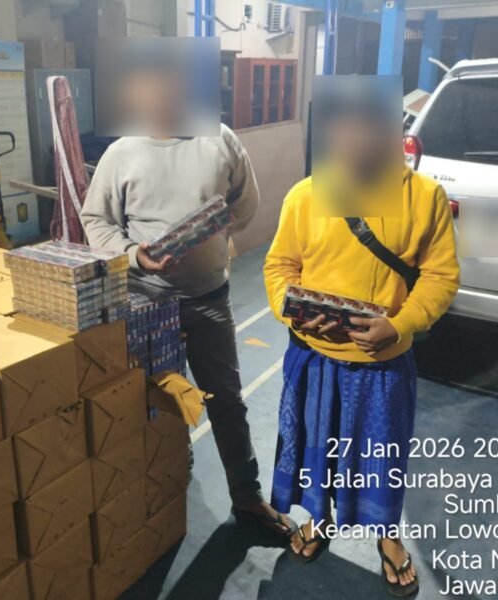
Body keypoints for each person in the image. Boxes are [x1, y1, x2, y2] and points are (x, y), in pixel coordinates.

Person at [81, 52, 297, 537]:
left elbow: (246, 202)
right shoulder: (122, 153)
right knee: (152, 403)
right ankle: (165, 483)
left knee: (226, 400)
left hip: (208, 299)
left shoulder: (219, 139)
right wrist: (135, 256)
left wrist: (213, 237)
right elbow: (95, 220)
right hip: (144, 303)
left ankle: (247, 498)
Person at [263, 88, 460, 596]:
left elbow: (440, 276)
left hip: (383, 364)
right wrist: (291, 308)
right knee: (316, 448)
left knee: (381, 457)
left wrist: (401, 323)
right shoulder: (306, 195)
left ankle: (388, 537)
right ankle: (320, 518)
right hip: (313, 358)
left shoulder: (424, 198)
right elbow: (280, 265)